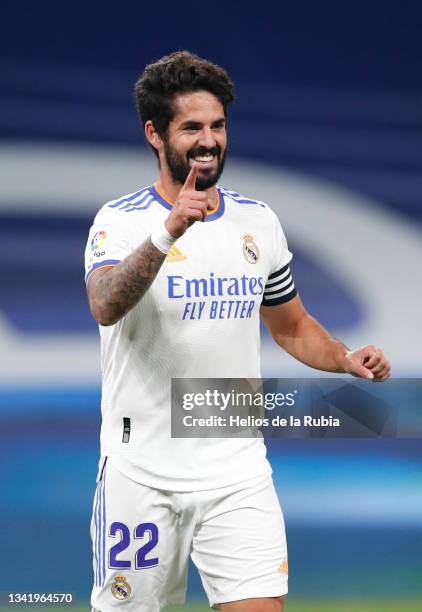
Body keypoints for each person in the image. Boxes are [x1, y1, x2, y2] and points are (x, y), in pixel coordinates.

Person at [84, 51, 390, 612]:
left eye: (218, 125)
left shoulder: (257, 222)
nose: (209, 141)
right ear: (154, 134)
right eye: (192, 128)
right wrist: (168, 230)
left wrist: (345, 358)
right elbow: (105, 305)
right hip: (140, 476)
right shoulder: (120, 220)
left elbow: (291, 324)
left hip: (236, 472)